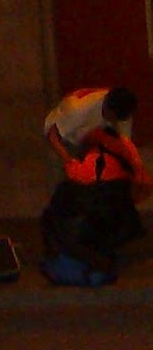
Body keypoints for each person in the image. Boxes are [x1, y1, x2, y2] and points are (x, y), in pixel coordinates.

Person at [42, 121, 153, 285]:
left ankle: (79, 255)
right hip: (111, 219)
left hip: (89, 222)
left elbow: (72, 177)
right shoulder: (124, 155)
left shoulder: (85, 165)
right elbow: (142, 182)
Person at [45, 87, 137, 164]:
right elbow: (53, 135)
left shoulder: (122, 108)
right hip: (64, 138)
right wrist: (71, 163)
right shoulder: (78, 110)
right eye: (114, 118)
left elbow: (125, 141)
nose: (116, 121)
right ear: (108, 109)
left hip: (89, 136)